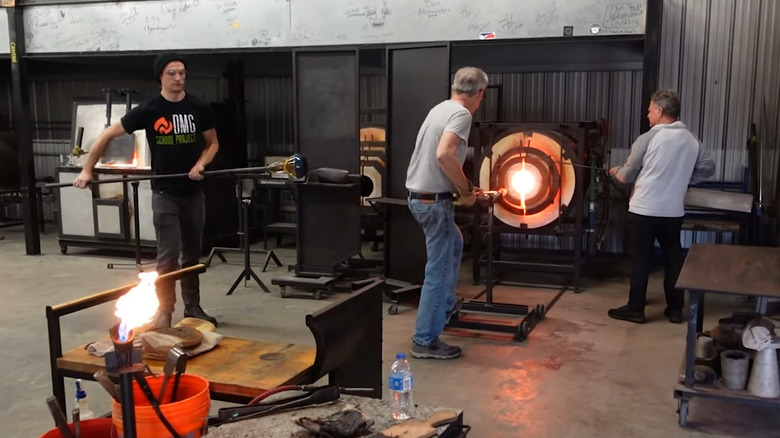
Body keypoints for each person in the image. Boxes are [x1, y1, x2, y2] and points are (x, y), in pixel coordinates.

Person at [73, 52, 220, 328]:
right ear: (160, 77)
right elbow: (106, 135)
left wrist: (201, 163)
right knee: (167, 258)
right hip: (164, 193)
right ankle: (164, 312)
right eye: (171, 73)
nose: (178, 78)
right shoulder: (150, 110)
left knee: (190, 255)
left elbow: (212, 144)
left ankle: (193, 308)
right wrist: (87, 170)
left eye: (182, 73)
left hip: (193, 193)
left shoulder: (199, 107)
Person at [607, 89, 715, 324]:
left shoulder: (647, 138)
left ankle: (636, 309)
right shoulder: (691, 140)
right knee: (673, 258)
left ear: (660, 111)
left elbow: (627, 176)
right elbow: (708, 168)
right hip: (673, 212)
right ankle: (675, 309)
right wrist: (684, 178)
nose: (647, 115)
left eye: (650, 110)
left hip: (643, 211)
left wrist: (614, 170)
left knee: (641, 260)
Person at [404, 67, 487, 359]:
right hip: (433, 202)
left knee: (455, 242)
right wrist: (466, 189)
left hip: (420, 198)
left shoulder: (440, 108)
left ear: (454, 87)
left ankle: (445, 307)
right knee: (438, 271)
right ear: (480, 94)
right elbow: (444, 154)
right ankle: (425, 341)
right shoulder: (462, 114)